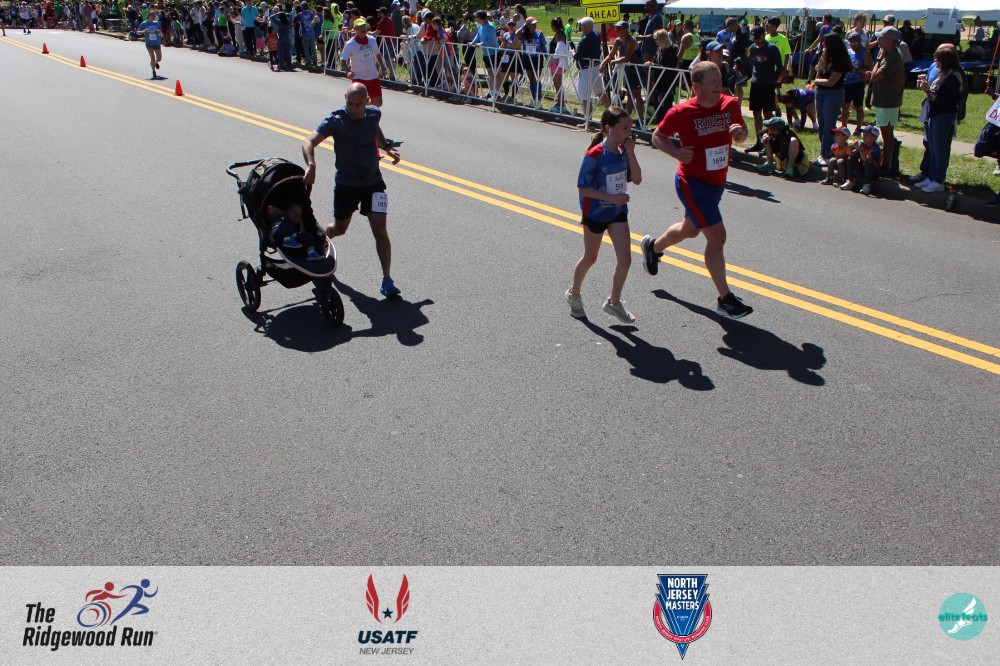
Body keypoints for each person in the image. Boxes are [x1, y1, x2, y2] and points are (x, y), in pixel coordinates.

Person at [642, 62, 753, 319]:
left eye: (719, 80)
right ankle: (725, 299)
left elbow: (740, 133)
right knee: (717, 237)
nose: (718, 85)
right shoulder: (682, 112)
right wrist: (676, 152)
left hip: (717, 182)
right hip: (692, 182)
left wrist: (740, 134)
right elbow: (657, 136)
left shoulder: (730, 105)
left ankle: (653, 248)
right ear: (696, 86)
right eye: (712, 81)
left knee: (690, 229)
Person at [302, 82, 402, 296]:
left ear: (367, 101)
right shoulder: (336, 119)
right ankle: (322, 239)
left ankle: (387, 280)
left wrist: (386, 147)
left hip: (373, 183)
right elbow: (308, 141)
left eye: (358, 105)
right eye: (350, 104)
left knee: (380, 231)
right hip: (346, 185)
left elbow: (375, 129)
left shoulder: (374, 114)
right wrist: (311, 165)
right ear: (345, 99)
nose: (354, 109)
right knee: (340, 228)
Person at [567, 107, 643, 322]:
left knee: (625, 260)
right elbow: (583, 188)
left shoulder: (623, 152)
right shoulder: (595, 155)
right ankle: (574, 293)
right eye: (625, 128)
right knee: (591, 257)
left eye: (630, 129)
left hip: (617, 212)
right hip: (596, 212)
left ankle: (614, 302)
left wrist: (631, 152)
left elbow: (637, 180)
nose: (629, 133)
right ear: (609, 129)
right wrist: (612, 198)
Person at [913, 48, 963, 193]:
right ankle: (931, 176)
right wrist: (926, 88)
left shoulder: (953, 76)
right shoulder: (943, 74)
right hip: (935, 114)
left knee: (940, 149)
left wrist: (927, 90)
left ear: (945, 60)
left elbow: (942, 99)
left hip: (944, 115)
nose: (935, 62)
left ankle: (938, 180)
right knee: (933, 148)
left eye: (938, 59)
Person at [867, 26, 905, 174]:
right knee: (885, 134)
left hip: (888, 102)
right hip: (885, 101)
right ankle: (886, 162)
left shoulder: (892, 58)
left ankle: (885, 166)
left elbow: (875, 77)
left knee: (887, 135)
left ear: (889, 41)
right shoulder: (889, 55)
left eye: (881, 38)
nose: (878, 40)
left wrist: (878, 59)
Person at [812, 33, 852, 166]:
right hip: (820, 93)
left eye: (825, 42)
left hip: (833, 94)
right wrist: (821, 60)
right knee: (822, 124)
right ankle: (824, 152)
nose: (823, 44)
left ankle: (827, 155)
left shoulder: (840, 60)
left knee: (829, 126)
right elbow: (817, 70)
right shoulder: (825, 57)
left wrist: (816, 81)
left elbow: (831, 82)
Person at [746, 26, 781, 152]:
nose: (755, 40)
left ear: (763, 35)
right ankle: (759, 142)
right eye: (753, 38)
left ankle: (768, 143)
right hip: (756, 84)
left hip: (768, 85)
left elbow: (780, 66)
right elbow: (752, 63)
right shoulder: (753, 48)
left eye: (757, 38)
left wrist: (773, 80)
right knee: (756, 113)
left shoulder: (772, 48)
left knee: (767, 114)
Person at [342, 18, 385, 106]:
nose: (363, 28)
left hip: (373, 76)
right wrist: (348, 72)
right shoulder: (350, 44)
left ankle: (364, 106)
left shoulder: (372, 40)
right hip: (359, 77)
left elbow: (377, 55)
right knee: (358, 102)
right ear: (355, 29)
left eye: (364, 26)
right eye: (360, 26)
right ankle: (360, 109)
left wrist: (383, 67)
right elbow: (342, 60)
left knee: (378, 103)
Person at [574, 16, 605, 120]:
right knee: (600, 92)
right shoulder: (597, 35)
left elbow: (577, 56)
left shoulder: (584, 40)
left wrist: (573, 53)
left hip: (586, 69)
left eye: (582, 26)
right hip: (595, 67)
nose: (581, 28)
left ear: (585, 27)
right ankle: (613, 113)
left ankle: (588, 119)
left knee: (584, 96)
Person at [842, 32, 872, 133]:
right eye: (850, 43)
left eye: (854, 43)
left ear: (859, 41)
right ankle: (844, 128)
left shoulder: (865, 53)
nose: (852, 45)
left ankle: (859, 127)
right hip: (846, 82)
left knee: (858, 107)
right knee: (845, 106)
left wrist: (857, 69)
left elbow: (869, 70)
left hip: (858, 82)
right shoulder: (848, 52)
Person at [842, 125, 881, 194]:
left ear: (874, 138)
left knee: (868, 163)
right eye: (863, 135)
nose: (863, 138)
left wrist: (859, 149)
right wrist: (850, 147)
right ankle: (850, 181)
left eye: (866, 136)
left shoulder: (875, 148)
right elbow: (851, 154)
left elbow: (866, 159)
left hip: (872, 173)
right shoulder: (863, 144)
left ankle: (867, 185)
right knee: (850, 158)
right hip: (862, 170)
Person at [135, 10, 164, 79]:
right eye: (152, 15)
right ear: (149, 16)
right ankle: (154, 72)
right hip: (149, 43)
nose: (154, 16)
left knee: (159, 58)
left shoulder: (156, 23)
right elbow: (138, 33)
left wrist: (159, 32)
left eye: (154, 15)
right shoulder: (144, 24)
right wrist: (144, 31)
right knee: (152, 58)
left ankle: (155, 62)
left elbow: (161, 33)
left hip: (156, 42)